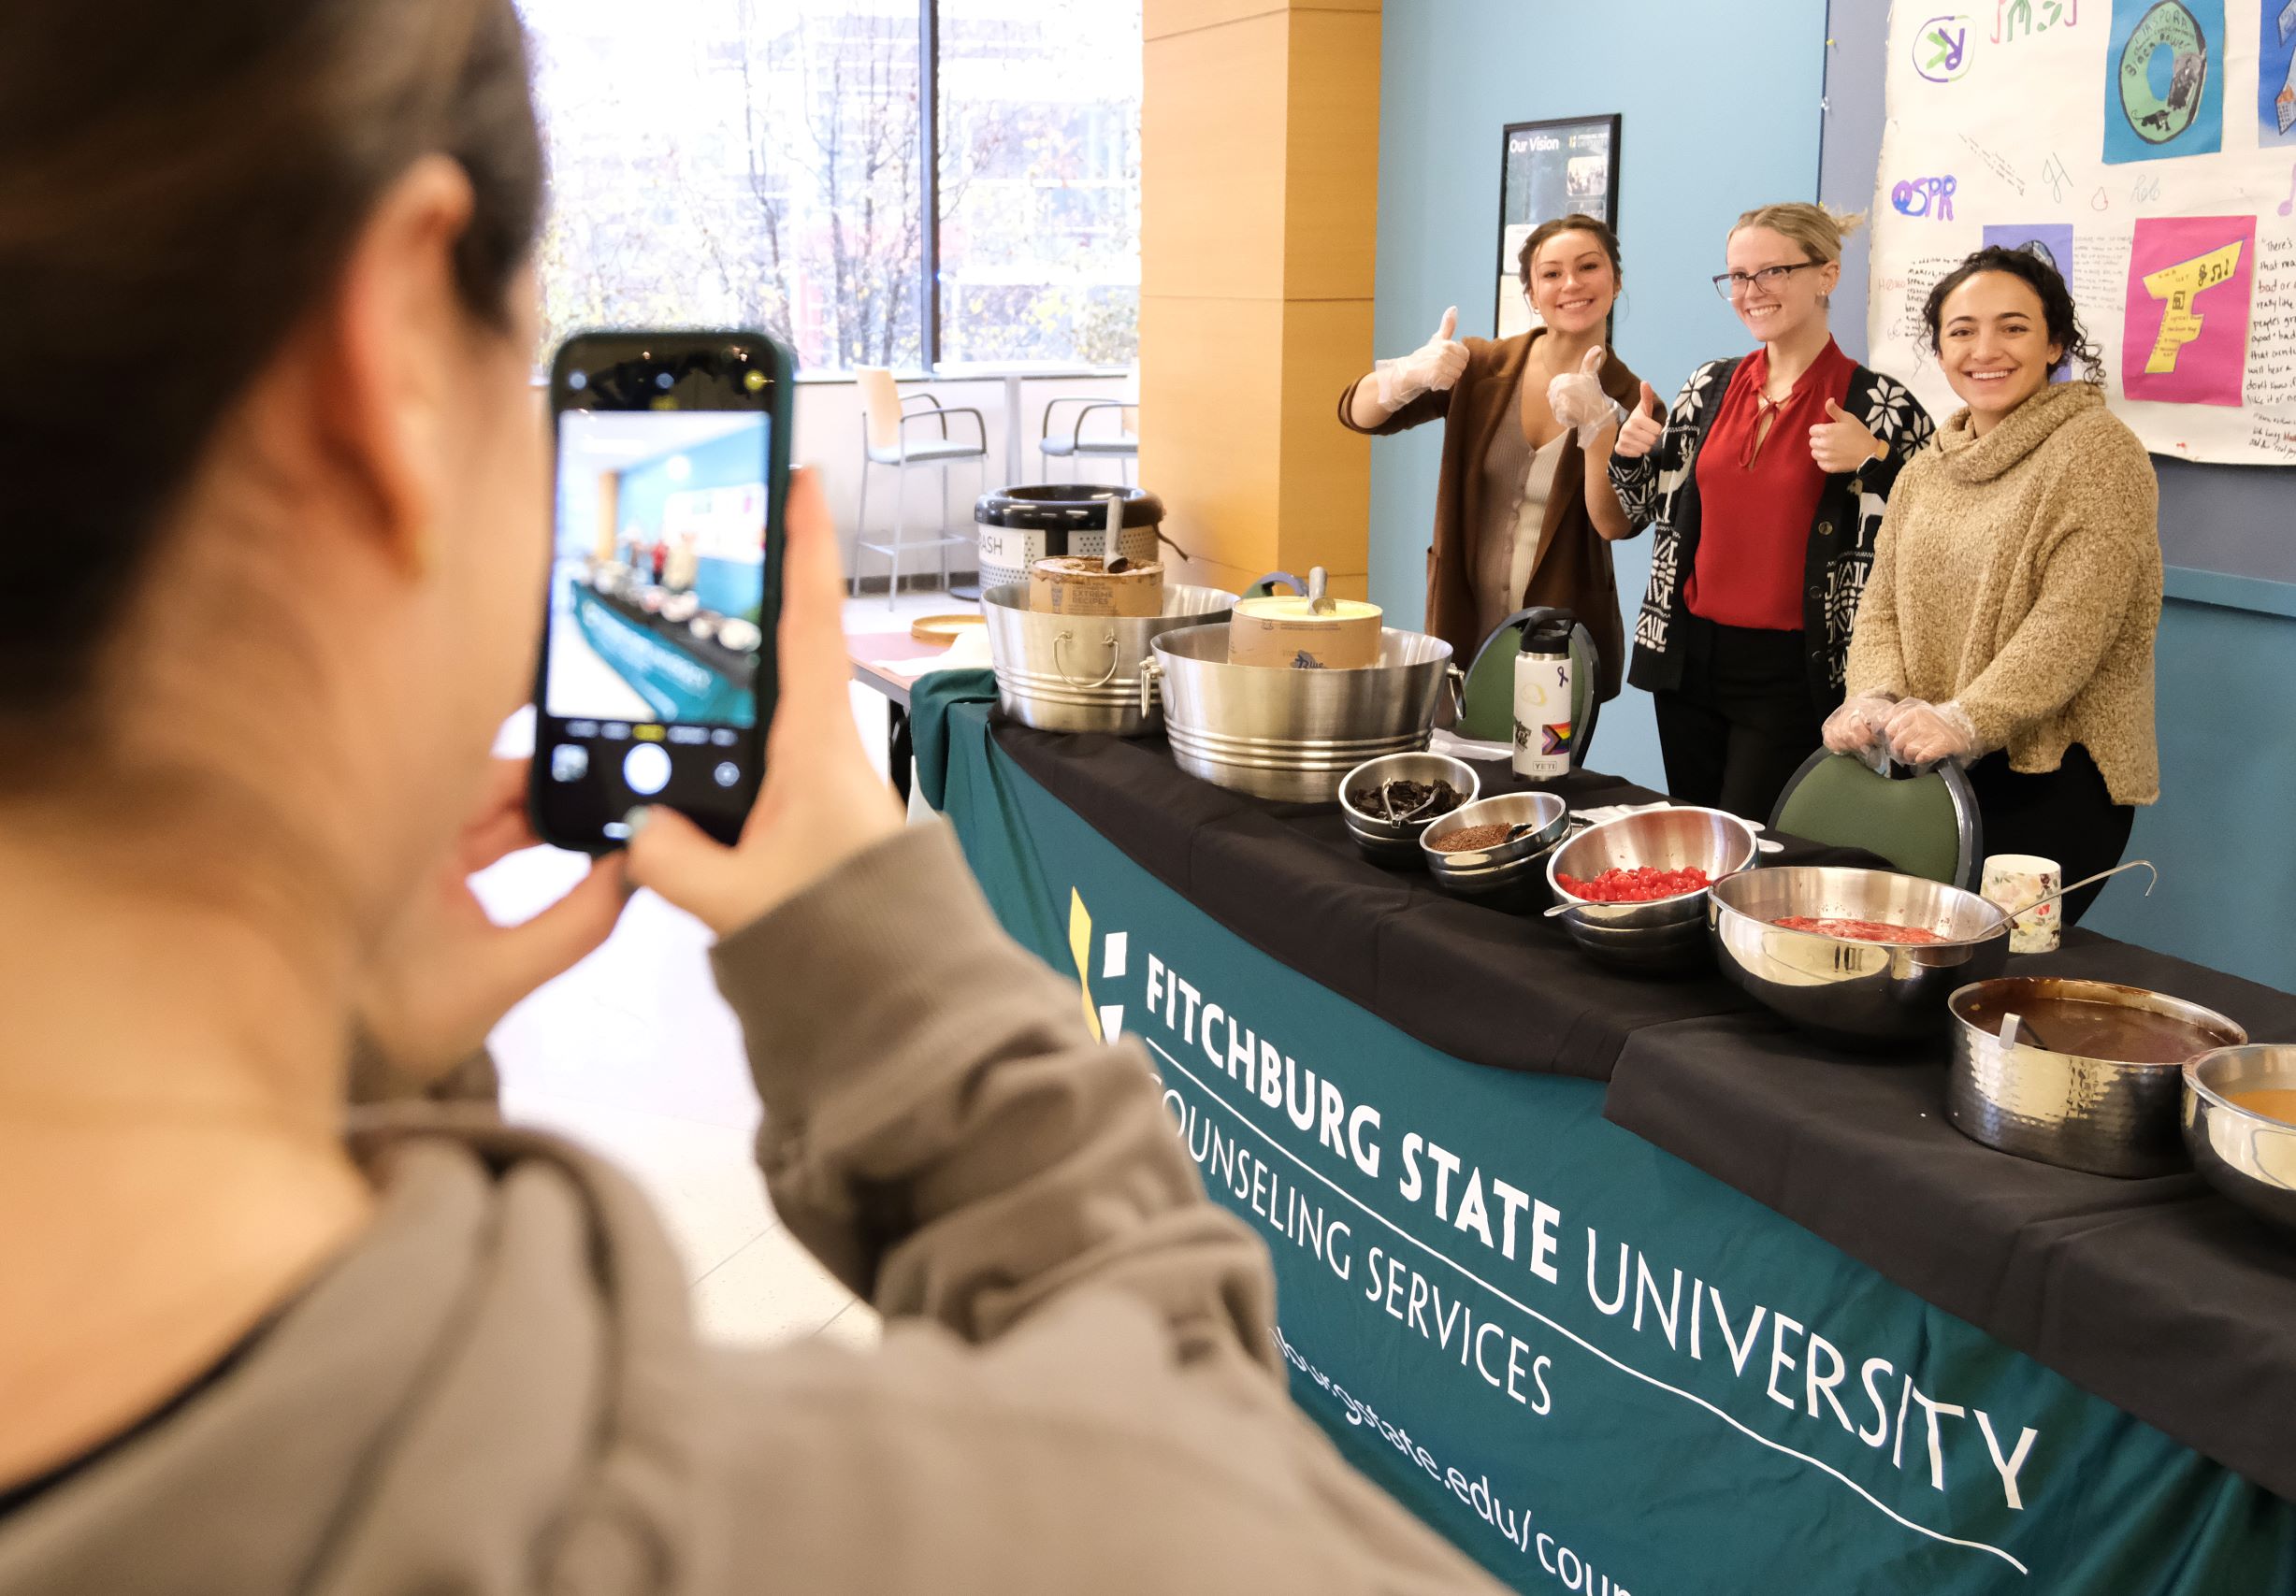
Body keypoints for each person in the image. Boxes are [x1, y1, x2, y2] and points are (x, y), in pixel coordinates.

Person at [0, 6, 1503, 1592]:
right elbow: (1220, 1480)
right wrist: (870, 931)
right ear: (389, 370)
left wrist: (342, 1057)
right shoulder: (828, 1535)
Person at [1827, 245, 2160, 925]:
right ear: (1940, 348)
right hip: (1932, 770)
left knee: (1991, 976)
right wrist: (1872, 694)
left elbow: (2072, 624)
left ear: (2054, 343)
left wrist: (1966, 718)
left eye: (2012, 327)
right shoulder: (1926, 467)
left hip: (2049, 776)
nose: (1985, 349)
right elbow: (1882, 607)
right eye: (1961, 330)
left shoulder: (2097, 451)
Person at [1596, 205, 1935, 822]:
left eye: (1771, 271)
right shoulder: (1707, 385)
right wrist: (1627, 453)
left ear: (1826, 275)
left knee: (1750, 852)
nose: (1750, 293)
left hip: (1795, 670)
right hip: (1689, 660)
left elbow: (1936, 531)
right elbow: (1639, 508)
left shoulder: (1881, 406)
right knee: (1695, 840)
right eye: (1737, 277)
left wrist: (1874, 459)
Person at [1337, 214, 1642, 699]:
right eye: (1551, 273)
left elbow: (1616, 524)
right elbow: (1357, 413)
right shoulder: (1480, 367)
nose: (1571, 285)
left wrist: (1600, 426)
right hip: (1463, 618)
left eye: (1588, 267)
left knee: (1540, 773)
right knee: (1458, 764)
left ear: (1616, 281)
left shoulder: (1635, 399)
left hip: (1561, 642)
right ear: (1531, 293)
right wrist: (1406, 375)